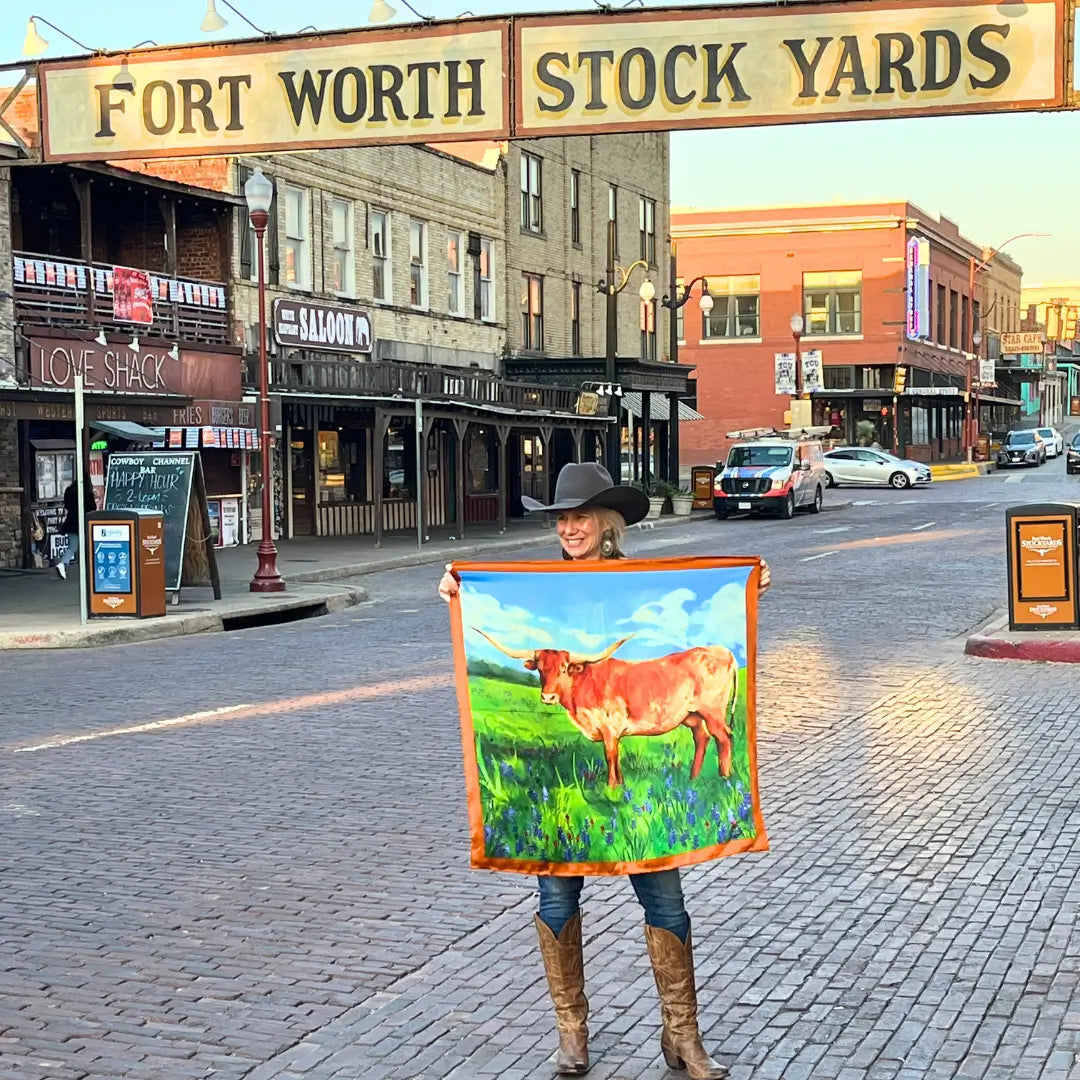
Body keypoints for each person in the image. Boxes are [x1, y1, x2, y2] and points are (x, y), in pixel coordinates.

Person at [439, 461, 771, 1079]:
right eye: (561, 519)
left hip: (642, 791)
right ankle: (572, 1035)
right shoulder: (537, 589)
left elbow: (716, 602)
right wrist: (460, 591)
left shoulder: (634, 580)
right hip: (565, 811)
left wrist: (752, 584)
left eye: (580, 517)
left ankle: (683, 1038)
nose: (569, 528)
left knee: (665, 901)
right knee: (557, 896)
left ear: (606, 524)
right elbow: (487, 606)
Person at [54, 479, 95, 580]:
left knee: (72, 547)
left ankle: (63, 563)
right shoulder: (87, 493)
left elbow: (66, 506)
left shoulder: (70, 491)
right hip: (84, 522)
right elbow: (92, 507)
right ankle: (90, 569)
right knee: (89, 546)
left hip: (71, 522)